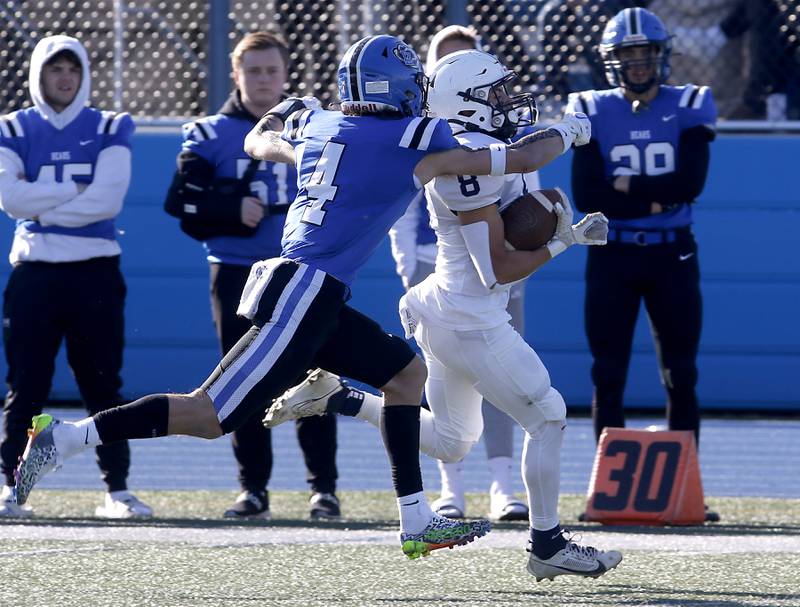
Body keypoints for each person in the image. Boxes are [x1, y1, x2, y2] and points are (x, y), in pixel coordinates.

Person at [15, 34, 590, 559]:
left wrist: (280, 118)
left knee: (405, 376)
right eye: (415, 84)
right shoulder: (410, 137)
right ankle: (66, 437)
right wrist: (573, 128)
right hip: (304, 293)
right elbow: (522, 157)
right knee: (209, 415)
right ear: (401, 89)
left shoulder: (323, 127)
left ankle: (416, 520)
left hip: (307, 290)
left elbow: (259, 140)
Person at [264, 49, 623, 581]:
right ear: (467, 103)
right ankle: (547, 542)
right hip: (469, 316)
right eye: (494, 94)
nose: (506, 102)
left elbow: (521, 165)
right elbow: (497, 268)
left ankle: (342, 398)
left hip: (443, 307)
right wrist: (565, 241)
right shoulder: (466, 157)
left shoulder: (482, 145)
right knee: (546, 415)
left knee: (453, 441)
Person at [163, 31, 340, 521]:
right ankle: (253, 488)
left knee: (316, 376)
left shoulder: (316, 126)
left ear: (286, 74)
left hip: (303, 270)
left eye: (271, 70)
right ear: (235, 74)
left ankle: (323, 488)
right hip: (238, 271)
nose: (263, 80)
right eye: (254, 71)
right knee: (240, 379)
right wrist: (229, 208)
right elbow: (180, 203)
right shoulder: (209, 132)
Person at [565, 8, 719, 519]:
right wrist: (655, 198)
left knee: (681, 373)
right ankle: (607, 492)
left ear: (661, 55)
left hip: (673, 254)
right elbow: (588, 194)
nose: (636, 63)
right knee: (606, 373)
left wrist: (626, 189)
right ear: (612, 61)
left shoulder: (690, 103)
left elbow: (689, 186)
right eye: (626, 55)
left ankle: (683, 492)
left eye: (644, 53)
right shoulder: (590, 106)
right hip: (613, 254)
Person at [0, 35, 152, 519]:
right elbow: (11, 200)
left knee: (103, 385)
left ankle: (118, 491)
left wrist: (43, 200)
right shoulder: (12, 127)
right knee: (26, 385)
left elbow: (106, 201)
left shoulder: (110, 124)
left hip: (95, 273)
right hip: (34, 275)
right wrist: (72, 192)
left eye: (72, 68)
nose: (64, 77)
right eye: (53, 69)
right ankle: (12, 487)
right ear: (38, 74)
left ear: (84, 74)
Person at [388, 23, 529, 522]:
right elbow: (400, 204)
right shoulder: (420, 131)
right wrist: (407, 264)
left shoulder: (504, 127)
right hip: (439, 270)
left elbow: (525, 195)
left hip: (496, 267)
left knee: (504, 383)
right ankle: (450, 488)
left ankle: (503, 484)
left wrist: (522, 257)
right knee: (440, 382)